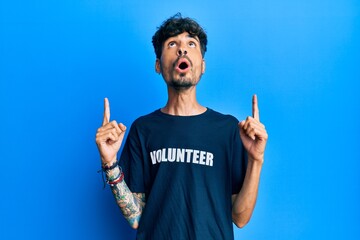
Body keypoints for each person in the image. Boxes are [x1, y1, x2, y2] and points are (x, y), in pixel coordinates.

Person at [95, 13, 268, 240]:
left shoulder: (227, 129)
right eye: (172, 44)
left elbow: (240, 218)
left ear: (202, 65)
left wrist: (256, 159)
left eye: (191, 43)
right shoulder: (143, 129)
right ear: (158, 65)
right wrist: (110, 163)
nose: (182, 50)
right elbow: (136, 218)